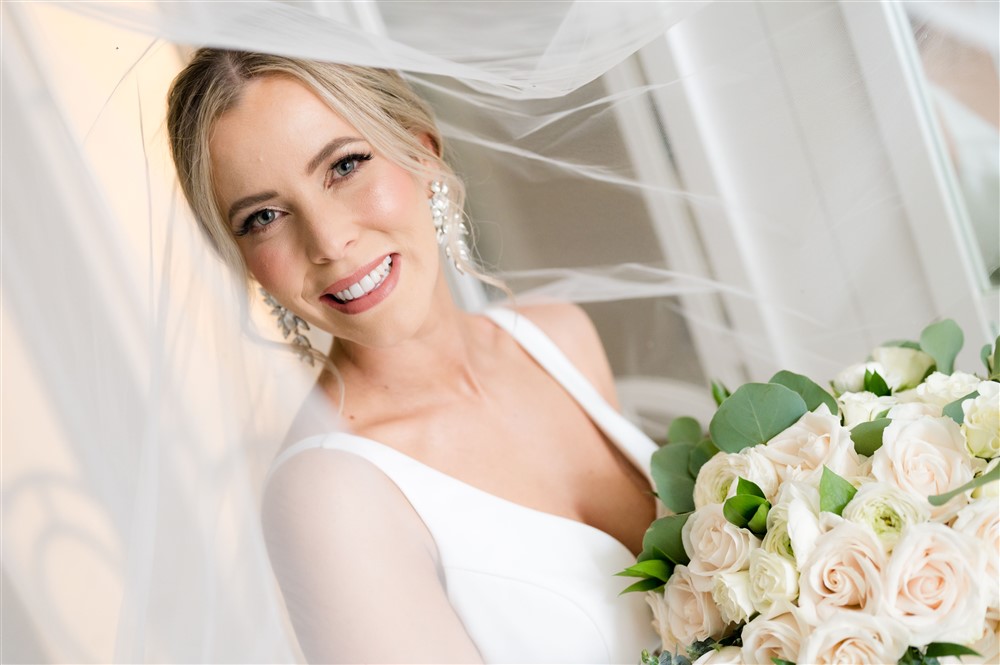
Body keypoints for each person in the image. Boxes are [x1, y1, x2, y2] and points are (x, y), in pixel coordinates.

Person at [166, 49, 660, 662]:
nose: (328, 241)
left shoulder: (559, 338)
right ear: (241, 261)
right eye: (263, 217)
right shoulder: (328, 496)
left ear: (422, 151)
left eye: (344, 166)